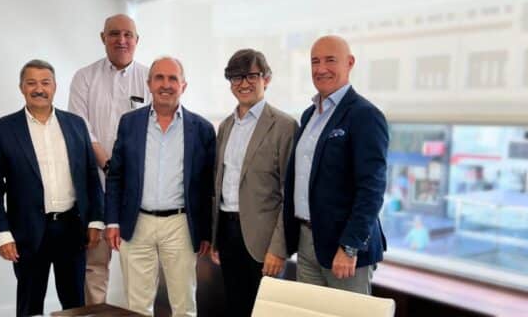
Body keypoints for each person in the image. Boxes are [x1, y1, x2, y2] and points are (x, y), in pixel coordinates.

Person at [0, 60, 104, 317]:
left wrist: (96, 219)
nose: (39, 89)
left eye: (45, 82)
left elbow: (90, 176)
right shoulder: (3, 130)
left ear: (54, 87)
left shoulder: (76, 124)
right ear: (21, 87)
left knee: (75, 304)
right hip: (27, 232)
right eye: (31, 83)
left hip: (72, 229)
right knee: (29, 306)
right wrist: (2, 233)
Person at [105, 57, 216, 317]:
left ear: (183, 86)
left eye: (173, 79)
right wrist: (112, 221)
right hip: (136, 223)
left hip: (180, 224)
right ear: (149, 84)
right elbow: (116, 175)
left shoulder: (202, 129)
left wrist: (206, 232)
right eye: (159, 78)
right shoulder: (129, 123)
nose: (166, 84)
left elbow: (208, 186)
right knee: (137, 306)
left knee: (184, 306)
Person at [282, 35, 388, 294]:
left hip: (345, 248)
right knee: (310, 311)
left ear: (349, 63)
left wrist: (350, 246)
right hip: (307, 241)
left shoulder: (365, 115)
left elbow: (372, 189)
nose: (321, 69)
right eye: (315, 62)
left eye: (330, 60)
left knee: (346, 312)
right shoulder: (309, 115)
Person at [68, 14, 150, 304]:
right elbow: (81, 130)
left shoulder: (150, 79)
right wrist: (109, 165)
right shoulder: (84, 77)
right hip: (96, 190)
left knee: (138, 269)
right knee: (94, 267)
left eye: (128, 34)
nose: (121, 40)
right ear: (103, 38)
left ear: (137, 40)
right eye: (114, 34)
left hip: (138, 194)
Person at [210, 49, 298, 317]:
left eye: (251, 76)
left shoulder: (284, 126)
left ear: (266, 79)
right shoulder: (226, 126)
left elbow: (289, 194)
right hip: (227, 233)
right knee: (235, 307)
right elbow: (220, 185)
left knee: (265, 312)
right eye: (236, 77)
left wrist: (279, 248)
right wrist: (215, 238)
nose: (243, 83)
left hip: (264, 241)